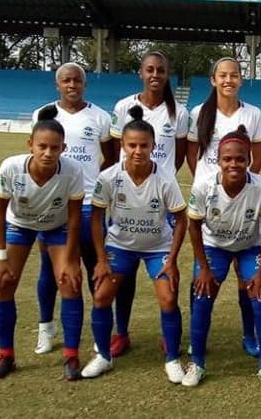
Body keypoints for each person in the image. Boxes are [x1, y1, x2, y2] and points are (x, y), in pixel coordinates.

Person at [81, 106, 187, 382]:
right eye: (132, 145)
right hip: (120, 247)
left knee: (168, 298)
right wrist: (102, 259)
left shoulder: (165, 179)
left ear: (153, 146)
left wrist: (172, 260)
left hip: (158, 248)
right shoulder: (108, 178)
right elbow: (95, 218)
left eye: (144, 145)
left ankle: (173, 358)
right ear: (122, 145)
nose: (138, 150)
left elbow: (181, 219)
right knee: (102, 295)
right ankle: (103, 356)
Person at [0, 106, 85, 380]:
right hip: (20, 225)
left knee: (69, 282)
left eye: (54, 148)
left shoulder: (73, 171)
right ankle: (6, 355)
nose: (48, 153)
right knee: (3, 283)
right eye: (42, 146)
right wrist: (0, 256)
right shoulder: (10, 167)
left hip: (58, 227)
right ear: (30, 144)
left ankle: (71, 356)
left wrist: (70, 259)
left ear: (63, 148)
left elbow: (76, 219)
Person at [184, 125, 261, 389]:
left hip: (250, 246)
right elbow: (193, 226)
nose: (233, 164)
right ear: (218, 161)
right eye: (227, 159)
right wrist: (203, 268)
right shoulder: (203, 186)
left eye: (239, 158)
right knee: (202, 297)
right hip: (214, 246)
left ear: (249, 160)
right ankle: (197, 363)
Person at [108, 50, 189, 357]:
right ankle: (121, 332)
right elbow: (117, 150)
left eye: (161, 70)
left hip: (161, 201)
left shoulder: (178, 113)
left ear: (168, 75)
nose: (155, 75)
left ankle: (168, 335)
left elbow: (179, 155)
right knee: (123, 272)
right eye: (150, 70)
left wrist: (161, 181)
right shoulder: (123, 107)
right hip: (126, 199)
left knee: (167, 270)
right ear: (141, 73)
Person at [32, 62, 115, 355]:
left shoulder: (101, 117)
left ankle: (99, 330)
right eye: (66, 81)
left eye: (77, 80)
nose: (72, 85)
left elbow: (111, 158)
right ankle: (46, 327)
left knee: (96, 268)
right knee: (50, 271)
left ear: (84, 84)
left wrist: (89, 180)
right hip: (53, 207)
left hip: (91, 205)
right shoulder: (44, 114)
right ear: (58, 85)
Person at [186, 57, 261, 357]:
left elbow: (256, 156)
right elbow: (193, 153)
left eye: (234, 75)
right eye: (223, 75)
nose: (228, 80)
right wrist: (209, 185)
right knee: (203, 275)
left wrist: (239, 184)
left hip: (241, 198)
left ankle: (250, 334)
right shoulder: (199, 113)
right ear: (213, 80)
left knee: (246, 276)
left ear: (241, 80)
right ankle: (196, 338)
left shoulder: (253, 114)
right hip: (209, 200)